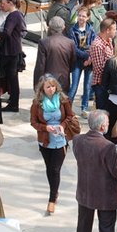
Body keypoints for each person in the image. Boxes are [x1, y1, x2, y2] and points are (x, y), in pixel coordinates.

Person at [72, 110, 117, 232]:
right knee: (106, 230)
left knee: (83, 226)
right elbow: (115, 171)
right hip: (105, 195)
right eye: (107, 123)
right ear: (102, 127)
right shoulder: (108, 146)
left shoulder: (78, 140)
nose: (108, 124)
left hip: (85, 192)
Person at [30, 75, 78, 214]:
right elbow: (33, 122)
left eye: (53, 86)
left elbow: (70, 116)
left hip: (61, 139)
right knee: (49, 168)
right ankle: (54, 192)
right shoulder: (37, 103)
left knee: (56, 169)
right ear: (42, 89)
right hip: (45, 140)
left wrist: (62, 125)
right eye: (48, 87)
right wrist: (45, 128)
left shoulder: (63, 100)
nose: (51, 89)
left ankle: (52, 199)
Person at [0, 0, 26, 113]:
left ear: (10, 3)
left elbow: (7, 32)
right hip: (13, 50)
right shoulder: (16, 14)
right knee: (12, 78)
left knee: (11, 77)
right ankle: (13, 101)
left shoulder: (13, 16)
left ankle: (13, 103)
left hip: (10, 51)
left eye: (3, 3)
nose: (2, 5)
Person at [33, 16, 76, 92]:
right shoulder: (70, 43)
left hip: (48, 81)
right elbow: (72, 64)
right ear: (63, 28)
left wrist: (37, 84)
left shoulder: (44, 42)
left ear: (50, 27)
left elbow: (40, 66)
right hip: (64, 80)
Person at [68, 6, 95, 116]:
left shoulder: (91, 29)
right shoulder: (72, 30)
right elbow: (74, 48)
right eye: (79, 15)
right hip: (78, 61)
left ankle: (84, 108)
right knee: (74, 85)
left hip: (89, 61)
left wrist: (90, 59)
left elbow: (93, 45)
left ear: (88, 17)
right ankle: (68, 107)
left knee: (87, 86)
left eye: (83, 16)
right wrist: (86, 56)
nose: (81, 18)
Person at [90, 18, 116, 111]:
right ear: (107, 30)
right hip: (100, 85)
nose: (115, 31)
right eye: (114, 29)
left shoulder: (109, 41)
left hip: (109, 83)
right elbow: (99, 68)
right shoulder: (97, 45)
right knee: (103, 113)